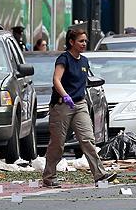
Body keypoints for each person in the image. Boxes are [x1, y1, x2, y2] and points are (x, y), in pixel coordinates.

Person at [43, 28, 116, 187]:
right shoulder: (64, 59)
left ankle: (100, 175)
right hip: (62, 105)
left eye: (85, 41)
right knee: (58, 143)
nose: (84, 44)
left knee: (88, 139)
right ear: (71, 42)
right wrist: (65, 96)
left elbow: (86, 81)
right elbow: (56, 79)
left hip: (80, 103)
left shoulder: (84, 61)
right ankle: (49, 177)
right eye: (81, 41)